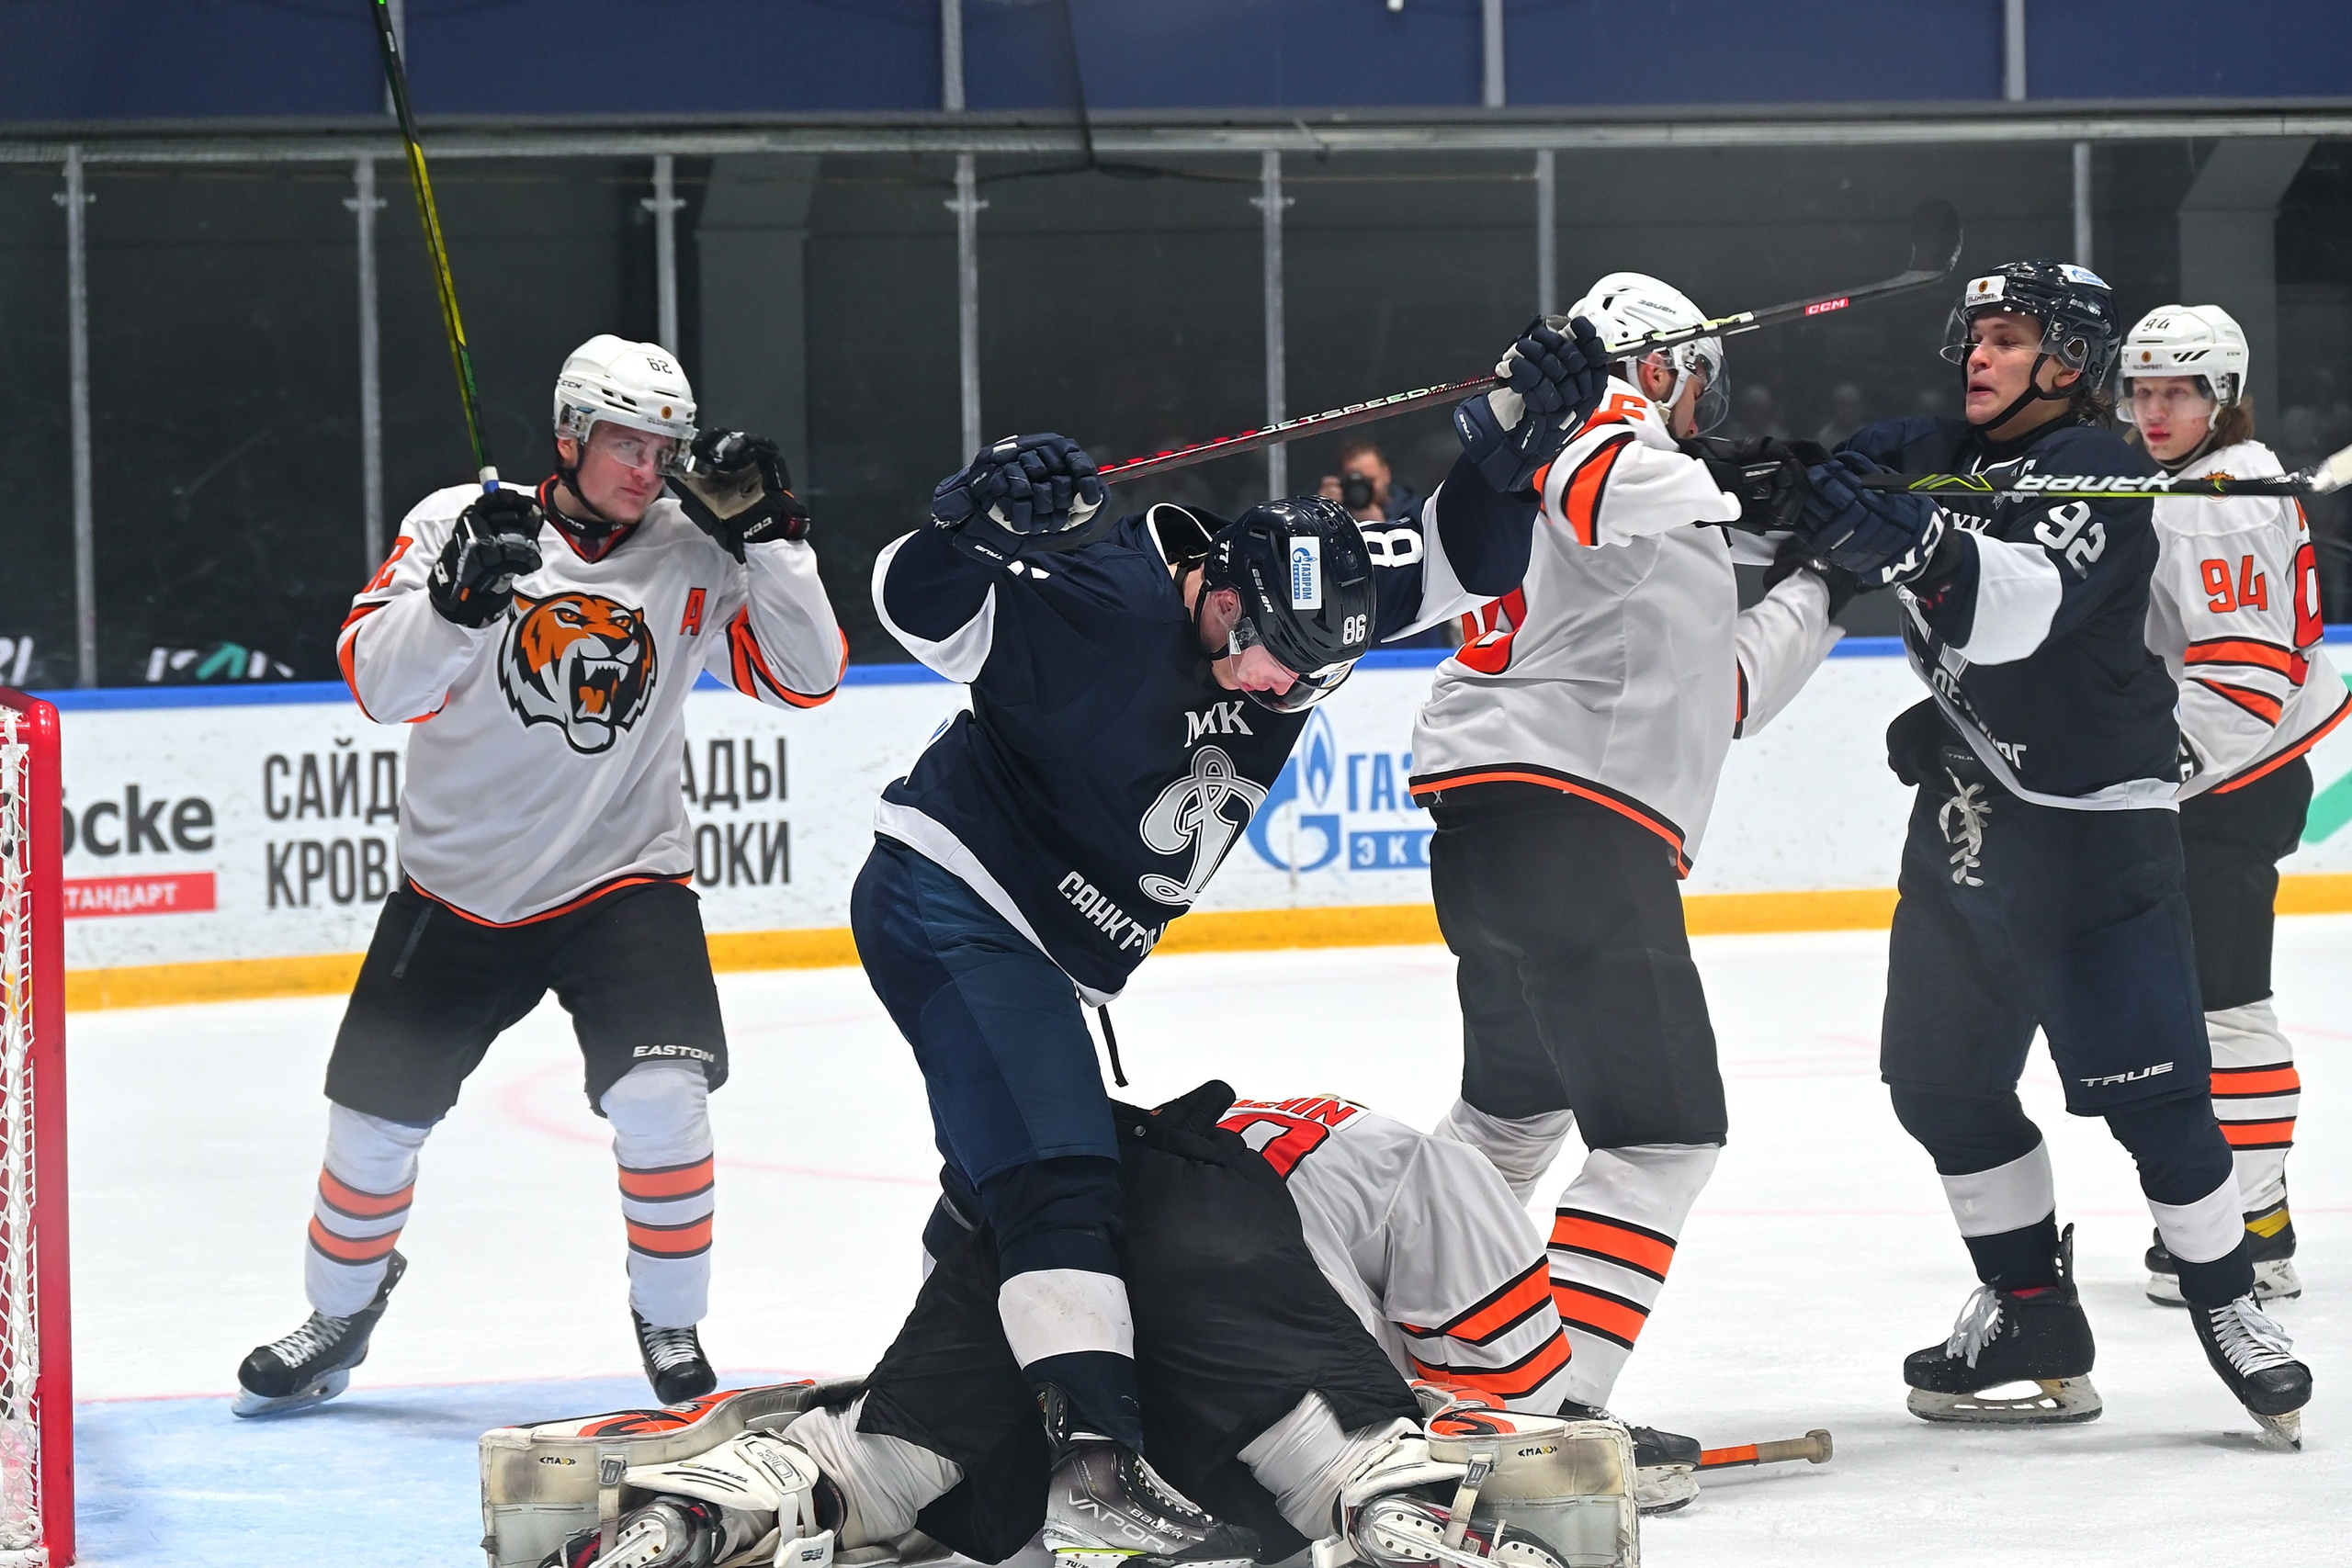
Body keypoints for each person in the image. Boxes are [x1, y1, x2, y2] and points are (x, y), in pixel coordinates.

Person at [853, 320, 1611, 1553]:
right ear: (1211, 588)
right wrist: (971, 527)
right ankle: (1090, 1463)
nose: (1273, 687)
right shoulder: (1098, 605)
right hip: (956, 897)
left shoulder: (1325, 602)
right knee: (1061, 1176)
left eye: (1308, 676)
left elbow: (1468, 557)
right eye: (1259, 653)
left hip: (1044, 946)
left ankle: (949, 1406)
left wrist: (1520, 450)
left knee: (1025, 1181)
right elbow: (914, 610)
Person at [232, 335, 847, 1416]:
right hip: (457, 890)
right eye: (624, 440)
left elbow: (807, 682)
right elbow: (378, 690)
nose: (648, 467)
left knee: (665, 1100)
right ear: (568, 435)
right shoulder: (453, 525)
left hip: (625, 882)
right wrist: (456, 605)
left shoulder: (695, 552)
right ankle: (342, 1310)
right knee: (372, 1131)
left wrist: (774, 543)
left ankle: (671, 1323)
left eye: (665, 445)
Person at [1786, 262, 2312, 1445]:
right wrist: (1768, 482)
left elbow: (2011, 607)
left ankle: (2230, 1306)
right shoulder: (1935, 444)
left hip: (2092, 833)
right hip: (1972, 818)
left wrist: (1916, 544)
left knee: (2160, 1103)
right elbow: (1833, 486)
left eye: (2008, 337)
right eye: (1973, 334)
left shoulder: (2106, 468)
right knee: (1939, 1088)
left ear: (2067, 360)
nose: (1977, 354)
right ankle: (2030, 1312)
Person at [521, 1082, 1655, 1568]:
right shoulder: (1401, 1155)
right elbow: (1513, 1401)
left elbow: (944, 1278)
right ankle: (1393, 1506)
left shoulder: (1266, 1143)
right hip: (1217, 1299)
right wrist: (1466, 1428)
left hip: (1024, 1257)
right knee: (1347, 1448)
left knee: (874, 1459)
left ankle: (712, 1512)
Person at [1406, 272, 1848, 1442]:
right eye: (1695, 385)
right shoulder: (1598, 425)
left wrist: (1827, 578)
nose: (1704, 412)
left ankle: (1404, 1355)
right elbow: (1598, 479)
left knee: (1505, 1125)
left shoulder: (1622, 495)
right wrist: (1740, 483)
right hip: (1576, 835)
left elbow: (1724, 693)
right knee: (1662, 1137)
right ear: (1657, 367)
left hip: (1499, 833)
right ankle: (1549, 1412)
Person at [2121, 303, 2347, 1306]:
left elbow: (2246, 674)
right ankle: (2243, 1212)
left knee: (2225, 1005)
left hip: (2232, 777)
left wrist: (2157, 774)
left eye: (2176, 392)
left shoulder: (2222, 495)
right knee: (2194, 1005)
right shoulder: (2197, 482)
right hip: (2224, 775)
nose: (2153, 411)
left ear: (2222, 398)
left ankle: (2254, 1234)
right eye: (2141, 390)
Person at [1317, 438, 1420, 524]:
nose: (1363, 489)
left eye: (1370, 480)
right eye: (1356, 483)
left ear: (1386, 474)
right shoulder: (1337, 511)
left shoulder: (1412, 508)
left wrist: (1383, 526)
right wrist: (1323, 509)